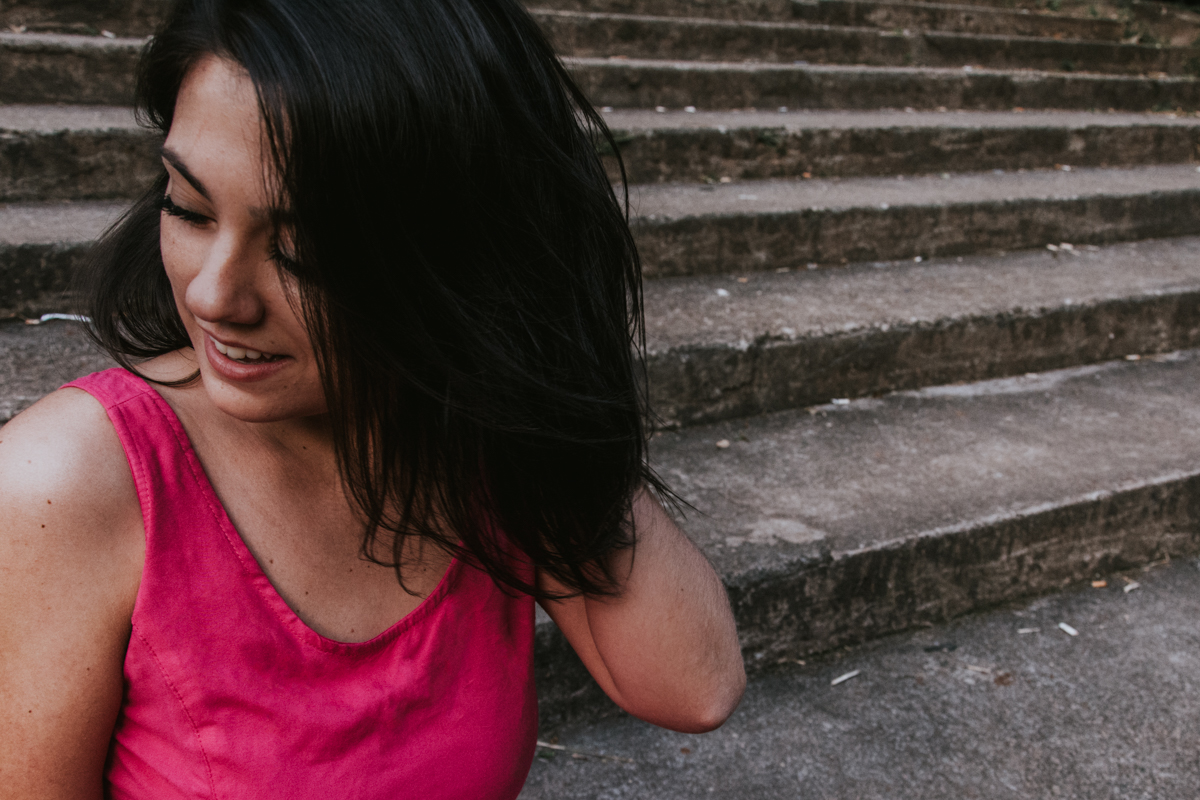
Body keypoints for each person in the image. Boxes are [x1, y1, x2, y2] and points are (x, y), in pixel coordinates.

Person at [0, 0, 745, 797]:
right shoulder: (64, 485)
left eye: (303, 249)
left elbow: (693, 686)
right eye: (188, 207)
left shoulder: (470, 440)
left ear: (462, 255)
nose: (215, 295)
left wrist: (530, 361)